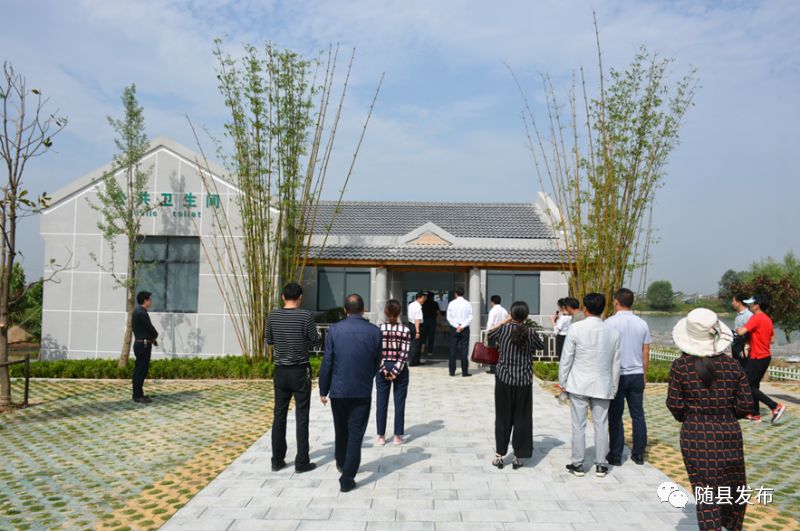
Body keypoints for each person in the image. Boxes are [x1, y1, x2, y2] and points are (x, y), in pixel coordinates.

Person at [666, 308, 753, 531]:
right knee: (732, 487)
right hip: (728, 433)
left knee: (706, 490)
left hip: (696, 434)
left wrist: (689, 417)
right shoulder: (733, 366)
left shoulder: (680, 367)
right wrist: (727, 414)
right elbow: (746, 404)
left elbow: (675, 404)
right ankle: (732, 525)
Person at [319, 294, 382, 492]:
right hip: (362, 390)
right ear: (363, 310)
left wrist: (323, 389)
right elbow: (376, 361)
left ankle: (342, 463)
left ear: (345, 310)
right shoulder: (374, 332)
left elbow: (327, 362)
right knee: (356, 434)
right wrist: (367, 378)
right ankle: (347, 477)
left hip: (339, 389)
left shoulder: (335, 330)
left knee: (341, 429)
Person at [558, 292, 621, 478]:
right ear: (603, 309)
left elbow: (566, 358)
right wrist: (614, 386)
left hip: (579, 383)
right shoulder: (613, 332)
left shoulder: (576, 328)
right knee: (601, 425)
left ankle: (578, 463)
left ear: (585, 309)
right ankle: (601, 465)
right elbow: (616, 363)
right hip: (603, 384)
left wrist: (563, 382)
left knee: (578, 425)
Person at [265, 282, 320, 473]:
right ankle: (301, 462)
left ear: (283, 297)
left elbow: (269, 340)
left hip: (280, 370)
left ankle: (277, 460)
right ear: (300, 298)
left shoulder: (272, 315)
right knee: (302, 416)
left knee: (279, 415)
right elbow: (315, 340)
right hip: (300, 371)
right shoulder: (306, 316)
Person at [488, 301, 544, 470]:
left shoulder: (503, 330)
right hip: (524, 380)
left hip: (503, 378)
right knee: (522, 418)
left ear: (511, 314)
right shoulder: (530, 332)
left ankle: (499, 455)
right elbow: (540, 346)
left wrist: (506, 321)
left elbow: (490, 334)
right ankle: (518, 456)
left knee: (502, 417)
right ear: (526, 316)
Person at [604, 288, 651, 466]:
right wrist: (644, 374)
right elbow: (645, 352)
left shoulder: (609, 323)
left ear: (616, 302)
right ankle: (638, 454)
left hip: (618, 375)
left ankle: (616, 454)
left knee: (615, 415)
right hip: (637, 374)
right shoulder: (642, 324)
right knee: (638, 415)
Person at [736, 294, 786, 423]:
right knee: (753, 385)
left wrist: (736, 330)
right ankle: (755, 414)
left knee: (745, 384)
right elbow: (772, 340)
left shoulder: (756, 318)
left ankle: (775, 406)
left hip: (757, 357)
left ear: (757, 306)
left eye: (751, 304)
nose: (749, 306)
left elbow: (741, 332)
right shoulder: (767, 319)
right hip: (765, 356)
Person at [375, 299, 412, 446]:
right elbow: (404, 353)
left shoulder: (379, 329)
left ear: (385, 312)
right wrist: (396, 370)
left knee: (381, 402)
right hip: (400, 368)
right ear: (399, 312)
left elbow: (376, 352)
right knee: (399, 402)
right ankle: (397, 436)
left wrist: (384, 369)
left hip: (382, 367)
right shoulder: (405, 330)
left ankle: (381, 436)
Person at [131, 291, 159, 404]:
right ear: (145, 301)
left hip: (141, 343)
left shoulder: (137, 311)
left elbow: (144, 329)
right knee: (141, 370)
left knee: (140, 369)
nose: (151, 301)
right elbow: (149, 328)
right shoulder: (141, 312)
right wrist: (155, 334)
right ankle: (137, 395)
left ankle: (138, 393)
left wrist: (152, 339)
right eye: (149, 299)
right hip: (143, 345)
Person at [446, 287, 473, 377]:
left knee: (453, 349)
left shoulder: (451, 303)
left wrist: (456, 326)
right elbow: (470, 316)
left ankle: (452, 371)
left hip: (454, 328)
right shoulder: (467, 303)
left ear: (455, 294)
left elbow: (449, 317)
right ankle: (464, 372)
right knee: (464, 350)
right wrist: (462, 326)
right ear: (463, 293)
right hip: (464, 328)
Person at [485, 295, 510, 374]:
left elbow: (490, 323)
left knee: (492, 351)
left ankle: (493, 368)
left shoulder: (493, 311)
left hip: (493, 332)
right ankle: (501, 367)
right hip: (502, 333)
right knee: (501, 350)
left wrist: (487, 333)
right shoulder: (504, 310)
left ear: (492, 302)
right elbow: (507, 322)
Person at [730, 293, 753, 368]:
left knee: (743, 369)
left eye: (733, 301)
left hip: (743, 346)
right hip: (736, 345)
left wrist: (746, 347)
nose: (732, 303)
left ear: (739, 302)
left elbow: (750, 332)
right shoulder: (738, 315)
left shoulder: (748, 315)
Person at [407, 292, 426, 366]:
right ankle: (413, 362)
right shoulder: (418, 307)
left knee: (413, 343)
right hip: (416, 326)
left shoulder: (411, 304)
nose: (424, 300)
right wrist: (418, 332)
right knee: (416, 344)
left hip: (411, 325)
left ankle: (416, 361)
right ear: (419, 298)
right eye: (423, 298)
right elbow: (417, 319)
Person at [421, 291, 439, 356]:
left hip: (424, 320)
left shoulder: (423, 303)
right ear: (433, 297)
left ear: (427, 296)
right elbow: (438, 313)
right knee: (431, 336)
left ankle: (422, 346)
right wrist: (439, 321)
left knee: (424, 335)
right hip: (432, 321)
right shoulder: (435, 303)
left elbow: (421, 312)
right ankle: (430, 351)